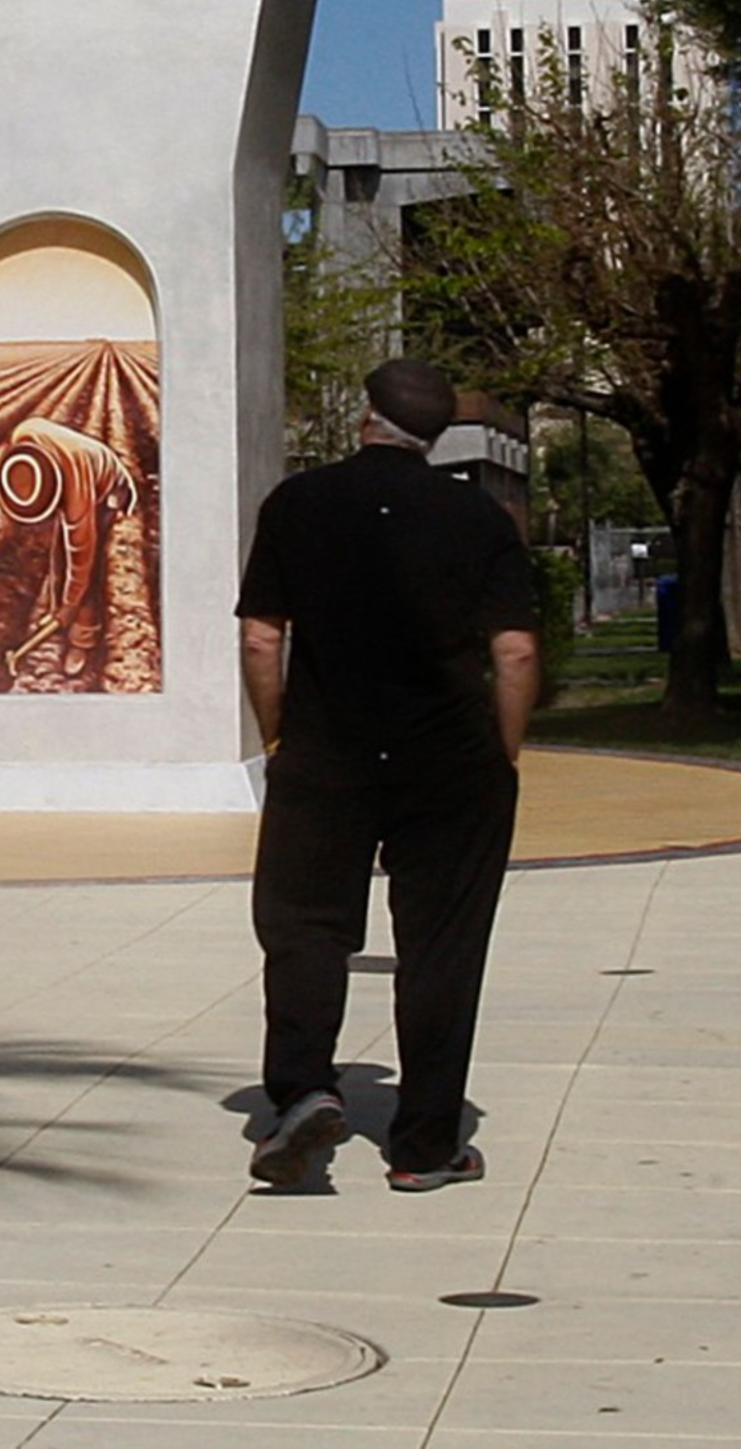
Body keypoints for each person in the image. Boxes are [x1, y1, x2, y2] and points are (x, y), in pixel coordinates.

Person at [236, 357, 542, 1191]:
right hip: (449, 760)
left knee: (305, 925)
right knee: (442, 944)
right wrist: (503, 753)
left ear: (365, 416)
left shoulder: (296, 504)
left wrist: (278, 736)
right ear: (435, 434)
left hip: (325, 754)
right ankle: (426, 1144)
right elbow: (513, 649)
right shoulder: (480, 518)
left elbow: (263, 637)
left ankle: (302, 1089)